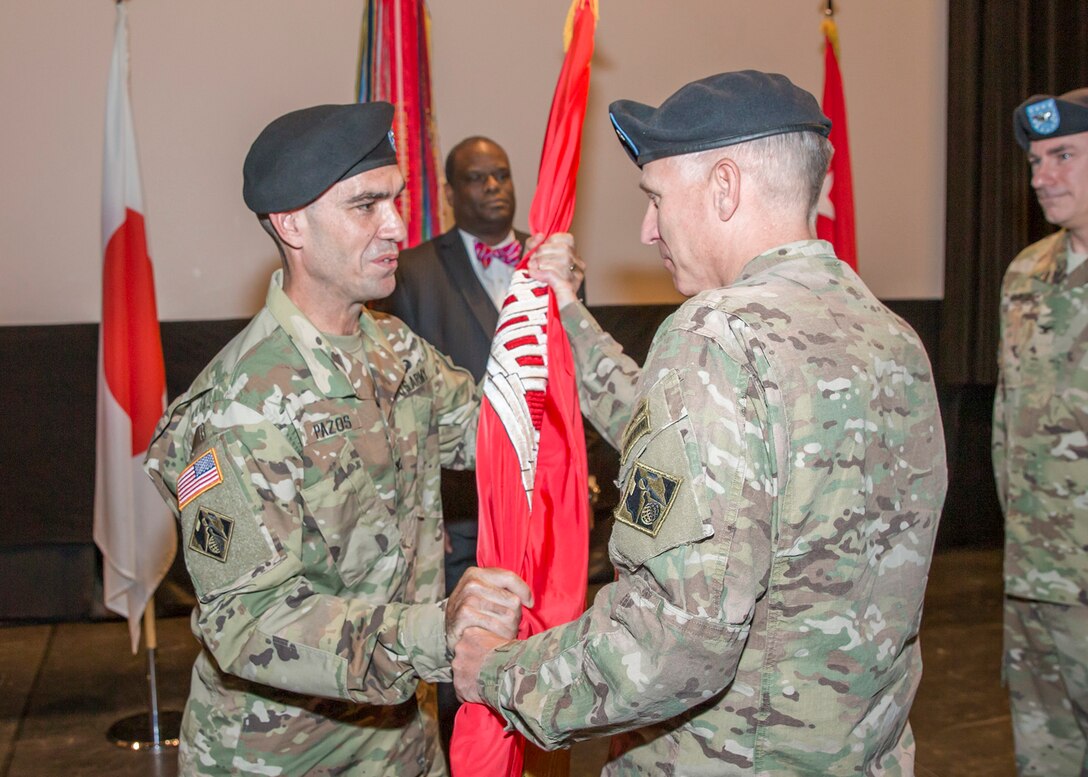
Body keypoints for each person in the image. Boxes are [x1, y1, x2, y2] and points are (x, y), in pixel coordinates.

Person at [452, 70, 948, 774]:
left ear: (724, 186)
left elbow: (672, 640)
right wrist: (566, 313)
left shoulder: (716, 335)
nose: (647, 228)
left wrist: (501, 673)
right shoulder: (890, 336)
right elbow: (689, 449)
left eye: (656, 198)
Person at [143, 102, 531, 776]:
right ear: (291, 223)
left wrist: (547, 303)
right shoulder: (237, 407)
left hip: (402, 733)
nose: (396, 226)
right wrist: (434, 630)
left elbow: (502, 436)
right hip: (282, 752)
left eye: (397, 200)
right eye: (365, 206)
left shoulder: (396, 351)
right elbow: (249, 621)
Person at [370, 136, 602, 757]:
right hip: (459, 507)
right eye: (477, 178)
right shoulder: (413, 271)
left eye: (502, 174)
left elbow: (567, 376)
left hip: (542, 498)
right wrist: (421, 513)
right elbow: (399, 403)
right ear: (450, 193)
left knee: (546, 635)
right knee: (465, 658)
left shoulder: (551, 260)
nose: (494, 187)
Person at [995, 87, 1088, 776]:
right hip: (1034, 576)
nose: (1040, 176)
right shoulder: (1027, 272)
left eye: (1062, 156)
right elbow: (1006, 422)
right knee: (1045, 759)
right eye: (1035, 159)